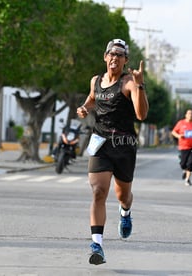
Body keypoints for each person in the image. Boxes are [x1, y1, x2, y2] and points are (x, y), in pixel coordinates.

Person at [76, 38, 149, 265]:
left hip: (124, 146)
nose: (114, 58)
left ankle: (125, 212)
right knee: (98, 191)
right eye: (111, 54)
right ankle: (96, 244)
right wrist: (84, 107)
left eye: (120, 55)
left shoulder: (128, 83)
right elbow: (92, 98)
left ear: (125, 60)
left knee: (123, 195)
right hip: (100, 143)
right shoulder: (96, 81)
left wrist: (140, 85)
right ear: (105, 57)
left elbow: (141, 114)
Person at [171, 109, 192, 186]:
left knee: (190, 164)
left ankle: (187, 179)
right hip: (183, 146)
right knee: (183, 164)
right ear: (186, 115)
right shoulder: (181, 123)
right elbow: (173, 132)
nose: (190, 115)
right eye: (189, 114)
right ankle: (185, 171)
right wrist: (179, 136)